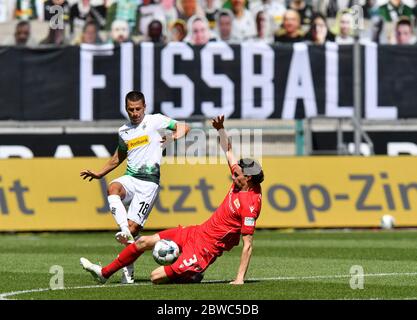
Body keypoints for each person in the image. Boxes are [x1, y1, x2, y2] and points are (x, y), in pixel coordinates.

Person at [80, 115, 264, 285]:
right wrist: (220, 129)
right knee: (143, 241)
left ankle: (191, 274)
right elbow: (229, 150)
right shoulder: (240, 177)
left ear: (248, 178)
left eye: (237, 174)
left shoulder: (250, 204)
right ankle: (104, 273)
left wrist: (239, 279)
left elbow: (247, 244)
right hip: (197, 232)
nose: (233, 175)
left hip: (205, 250)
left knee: (155, 277)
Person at [80, 91, 190, 284]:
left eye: (138, 109)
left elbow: (184, 127)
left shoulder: (156, 121)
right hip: (131, 177)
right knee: (113, 188)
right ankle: (123, 230)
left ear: (144, 107)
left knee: (133, 231)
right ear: (126, 109)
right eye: (131, 109)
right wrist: (99, 173)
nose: (135, 113)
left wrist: (173, 137)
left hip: (148, 183)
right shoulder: (124, 131)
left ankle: (127, 270)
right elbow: (118, 157)